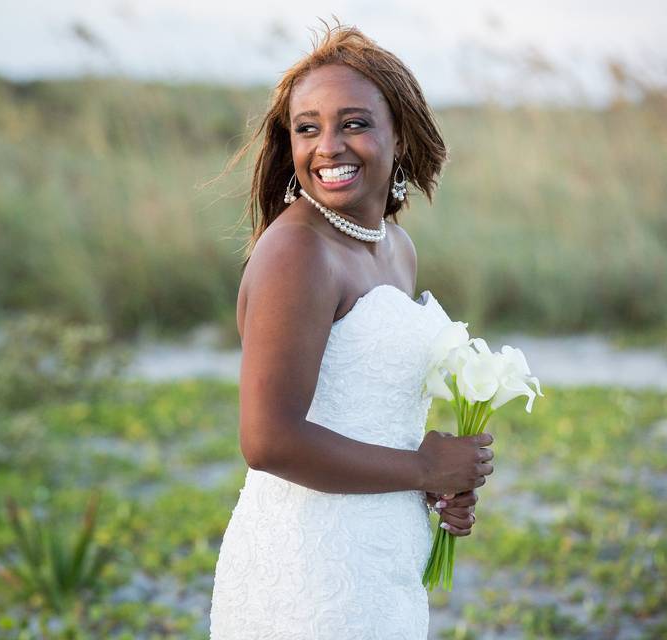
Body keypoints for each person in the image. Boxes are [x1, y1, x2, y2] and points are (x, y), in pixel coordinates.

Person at [209, 21, 495, 639]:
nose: (328, 146)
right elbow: (268, 441)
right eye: (307, 128)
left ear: (401, 134)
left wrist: (440, 480)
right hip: (309, 572)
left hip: (382, 556)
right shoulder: (297, 253)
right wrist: (422, 467)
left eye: (355, 123)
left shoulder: (396, 246)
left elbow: (370, 416)